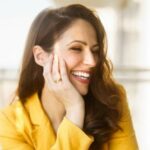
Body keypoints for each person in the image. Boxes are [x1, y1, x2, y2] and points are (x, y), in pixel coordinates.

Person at [0, 4, 138, 150]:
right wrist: (74, 109)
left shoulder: (112, 99)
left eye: (95, 51)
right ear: (41, 57)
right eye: (76, 48)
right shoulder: (11, 121)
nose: (92, 62)